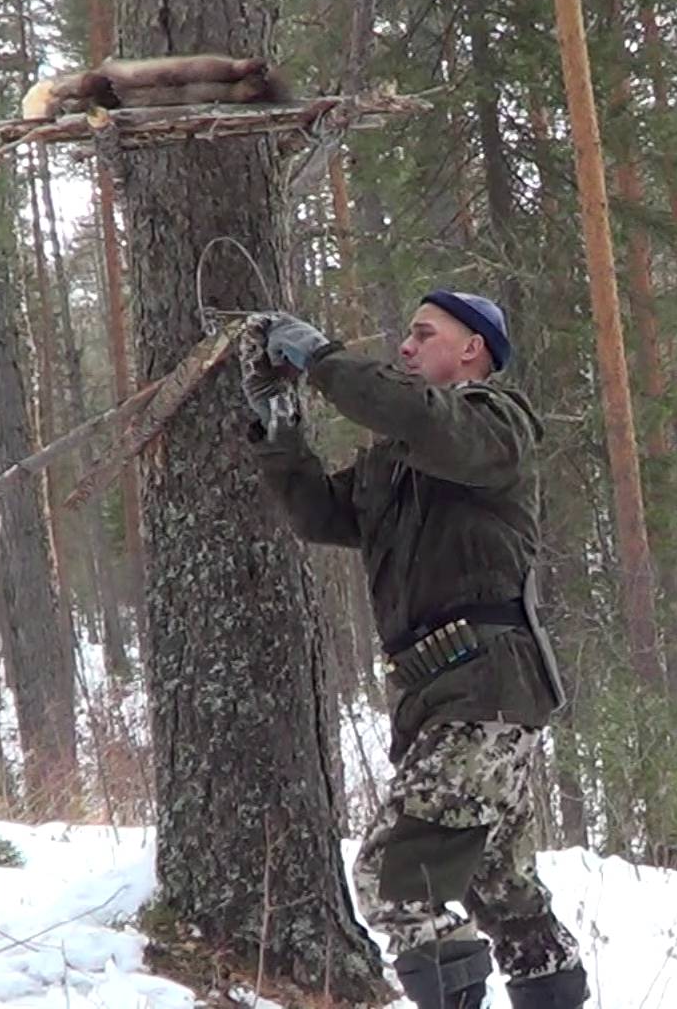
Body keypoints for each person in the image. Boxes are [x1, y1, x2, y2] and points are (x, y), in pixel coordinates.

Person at [243, 289, 589, 1009]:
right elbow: (319, 514)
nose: (404, 346)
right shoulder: (394, 464)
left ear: (472, 351)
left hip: (485, 689)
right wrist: (279, 427)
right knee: (499, 886)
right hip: (446, 698)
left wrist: (322, 360)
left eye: (421, 334)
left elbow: (416, 415)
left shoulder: (495, 426)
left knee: (398, 880)